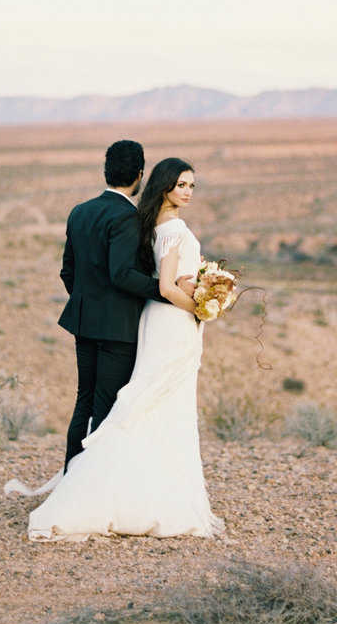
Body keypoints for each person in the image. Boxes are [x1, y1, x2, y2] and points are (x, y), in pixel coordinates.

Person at [15, 157, 225, 541]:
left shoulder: (112, 218)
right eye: (182, 185)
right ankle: (89, 490)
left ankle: (84, 480)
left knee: (99, 403)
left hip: (94, 322)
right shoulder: (163, 226)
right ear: (150, 179)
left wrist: (88, 308)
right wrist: (198, 306)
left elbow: (69, 271)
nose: (188, 192)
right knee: (126, 406)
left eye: (192, 186)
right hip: (156, 321)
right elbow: (152, 283)